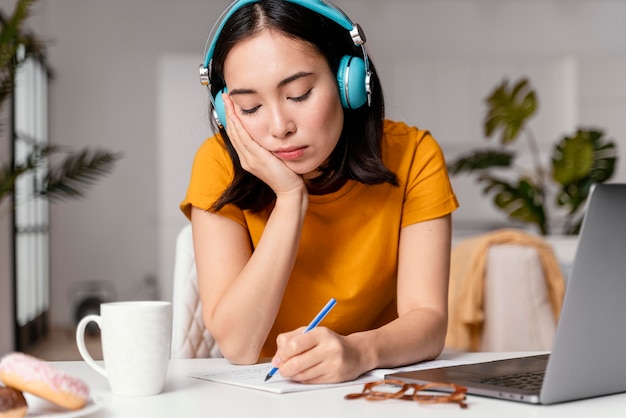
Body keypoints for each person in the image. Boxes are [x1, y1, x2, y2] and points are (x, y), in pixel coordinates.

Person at [180, 0, 459, 384]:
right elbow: (240, 346)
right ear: (226, 112)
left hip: (375, 386)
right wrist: (291, 198)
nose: (279, 126)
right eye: (250, 106)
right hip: (268, 394)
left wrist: (360, 352)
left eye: (298, 94)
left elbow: (428, 321)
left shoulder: (413, 155)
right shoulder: (217, 164)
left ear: (350, 82)